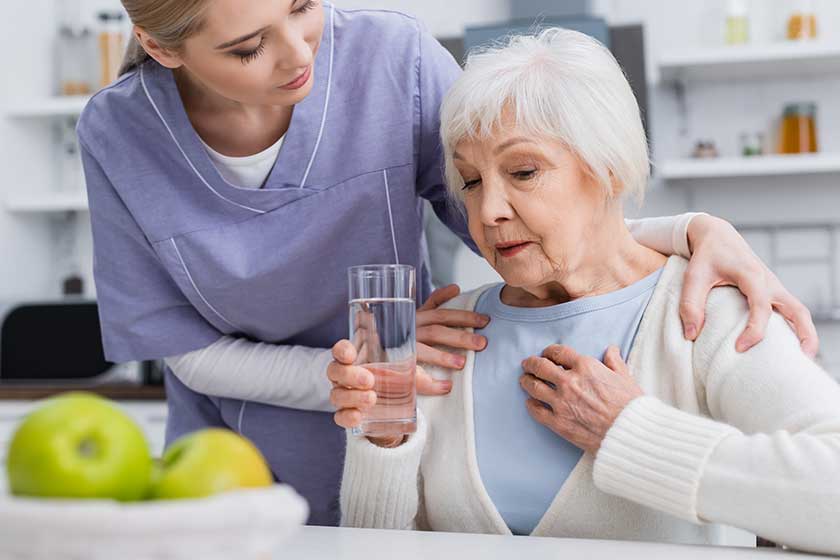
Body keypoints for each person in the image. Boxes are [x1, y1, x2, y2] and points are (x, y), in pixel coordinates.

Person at [77, 1, 817, 526]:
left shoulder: (701, 319)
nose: (303, 53)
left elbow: (540, 200)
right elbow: (182, 349)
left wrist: (689, 231)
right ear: (165, 47)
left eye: (304, 5)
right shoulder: (118, 131)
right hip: (246, 450)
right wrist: (384, 380)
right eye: (246, 47)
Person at [333, 29, 840, 555]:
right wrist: (382, 442)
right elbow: (375, 546)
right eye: (472, 181)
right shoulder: (446, 333)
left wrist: (632, 433)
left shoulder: (704, 312)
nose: (488, 213)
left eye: (523, 171)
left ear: (609, 166)